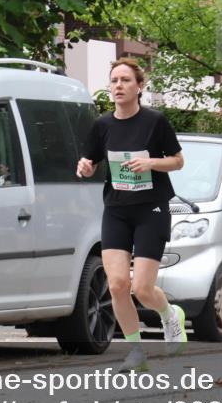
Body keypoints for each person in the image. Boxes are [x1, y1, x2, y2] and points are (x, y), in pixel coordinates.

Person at [77, 58, 187, 372]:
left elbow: (178, 161)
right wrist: (85, 166)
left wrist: (150, 163)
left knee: (142, 288)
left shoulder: (155, 122)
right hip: (116, 210)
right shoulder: (102, 125)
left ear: (139, 86)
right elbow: (89, 161)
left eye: (125, 80)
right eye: (114, 81)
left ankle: (170, 315)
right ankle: (136, 351)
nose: (119, 86)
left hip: (151, 209)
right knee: (116, 285)